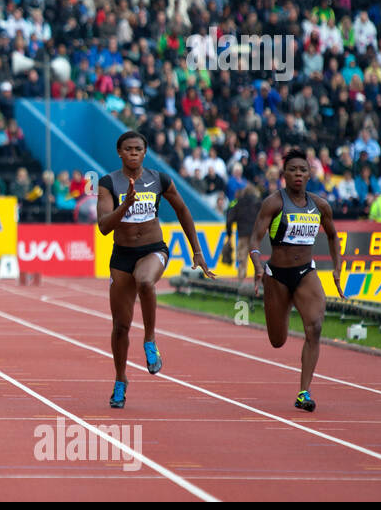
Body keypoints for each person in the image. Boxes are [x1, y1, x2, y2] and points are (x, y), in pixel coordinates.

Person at [96, 131, 215, 409]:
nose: (133, 153)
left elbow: (184, 210)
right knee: (120, 327)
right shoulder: (108, 182)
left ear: (145, 152)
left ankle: (150, 339)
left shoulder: (159, 179)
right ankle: (120, 380)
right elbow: (103, 226)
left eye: (138, 148)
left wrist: (197, 251)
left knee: (146, 282)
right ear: (120, 153)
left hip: (153, 249)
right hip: (121, 256)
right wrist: (125, 204)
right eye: (128, 149)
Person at [248, 149, 345, 412]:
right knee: (277, 340)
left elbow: (334, 236)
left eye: (303, 170)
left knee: (315, 326)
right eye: (293, 170)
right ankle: (285, 306)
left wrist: (336, 268)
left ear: (310, 173)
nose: (298, 174)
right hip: (277, 277)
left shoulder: (320, 205)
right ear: (284, 174)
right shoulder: (274, 203)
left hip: (305, 274)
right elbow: (255, 240)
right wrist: (257, 265)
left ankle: (304, 392)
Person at [224, 183, 263, 281]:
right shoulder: (259, 202)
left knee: (242, 259)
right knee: (257, 258)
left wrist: (229, 235)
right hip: (256, 235)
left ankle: (241, 283)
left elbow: (229, 220)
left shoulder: (238, 203)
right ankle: (258, 280)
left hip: (243, 234)